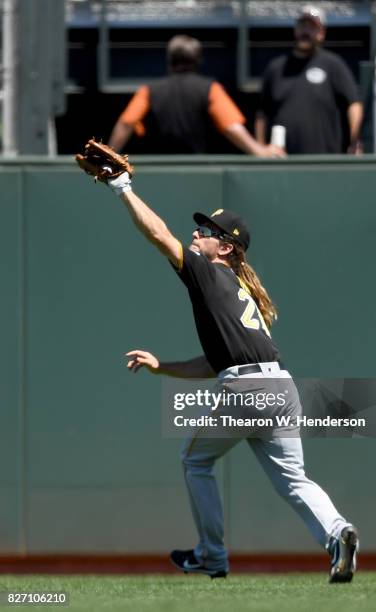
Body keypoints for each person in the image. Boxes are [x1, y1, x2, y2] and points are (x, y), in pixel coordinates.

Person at [87, 164, 360, 583]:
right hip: (279, 387)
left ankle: (211, 556)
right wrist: (163, 368)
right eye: (199, 228)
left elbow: (159, 235)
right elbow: (217, 363)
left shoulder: (206, 271)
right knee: (294, 479)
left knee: (195, 460)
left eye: (208, 231)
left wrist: (122, 187)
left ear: (227, 248)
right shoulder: (238, 288)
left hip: (248, 387)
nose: (197, 233)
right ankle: (338, 532)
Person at [109, 35, 283, 157]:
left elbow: (126, 123)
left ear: (170, 61)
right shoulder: (210, 88)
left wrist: (109, 154)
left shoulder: (148, 90)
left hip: (159, 168)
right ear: (198, 61)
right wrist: (258, 151)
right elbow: (231, 127)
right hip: (197, 167)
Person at [255, 5, 364, 155]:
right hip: (282, 161)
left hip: (324, 161)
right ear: (295, 30)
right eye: (302, 26)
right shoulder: (276, 68)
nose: (305, 31)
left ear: (321, 33)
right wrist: (260, 149)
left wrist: (355, 140)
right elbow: (262, 114)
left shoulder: (333, 65)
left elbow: (354, 104)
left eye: (311, 27)